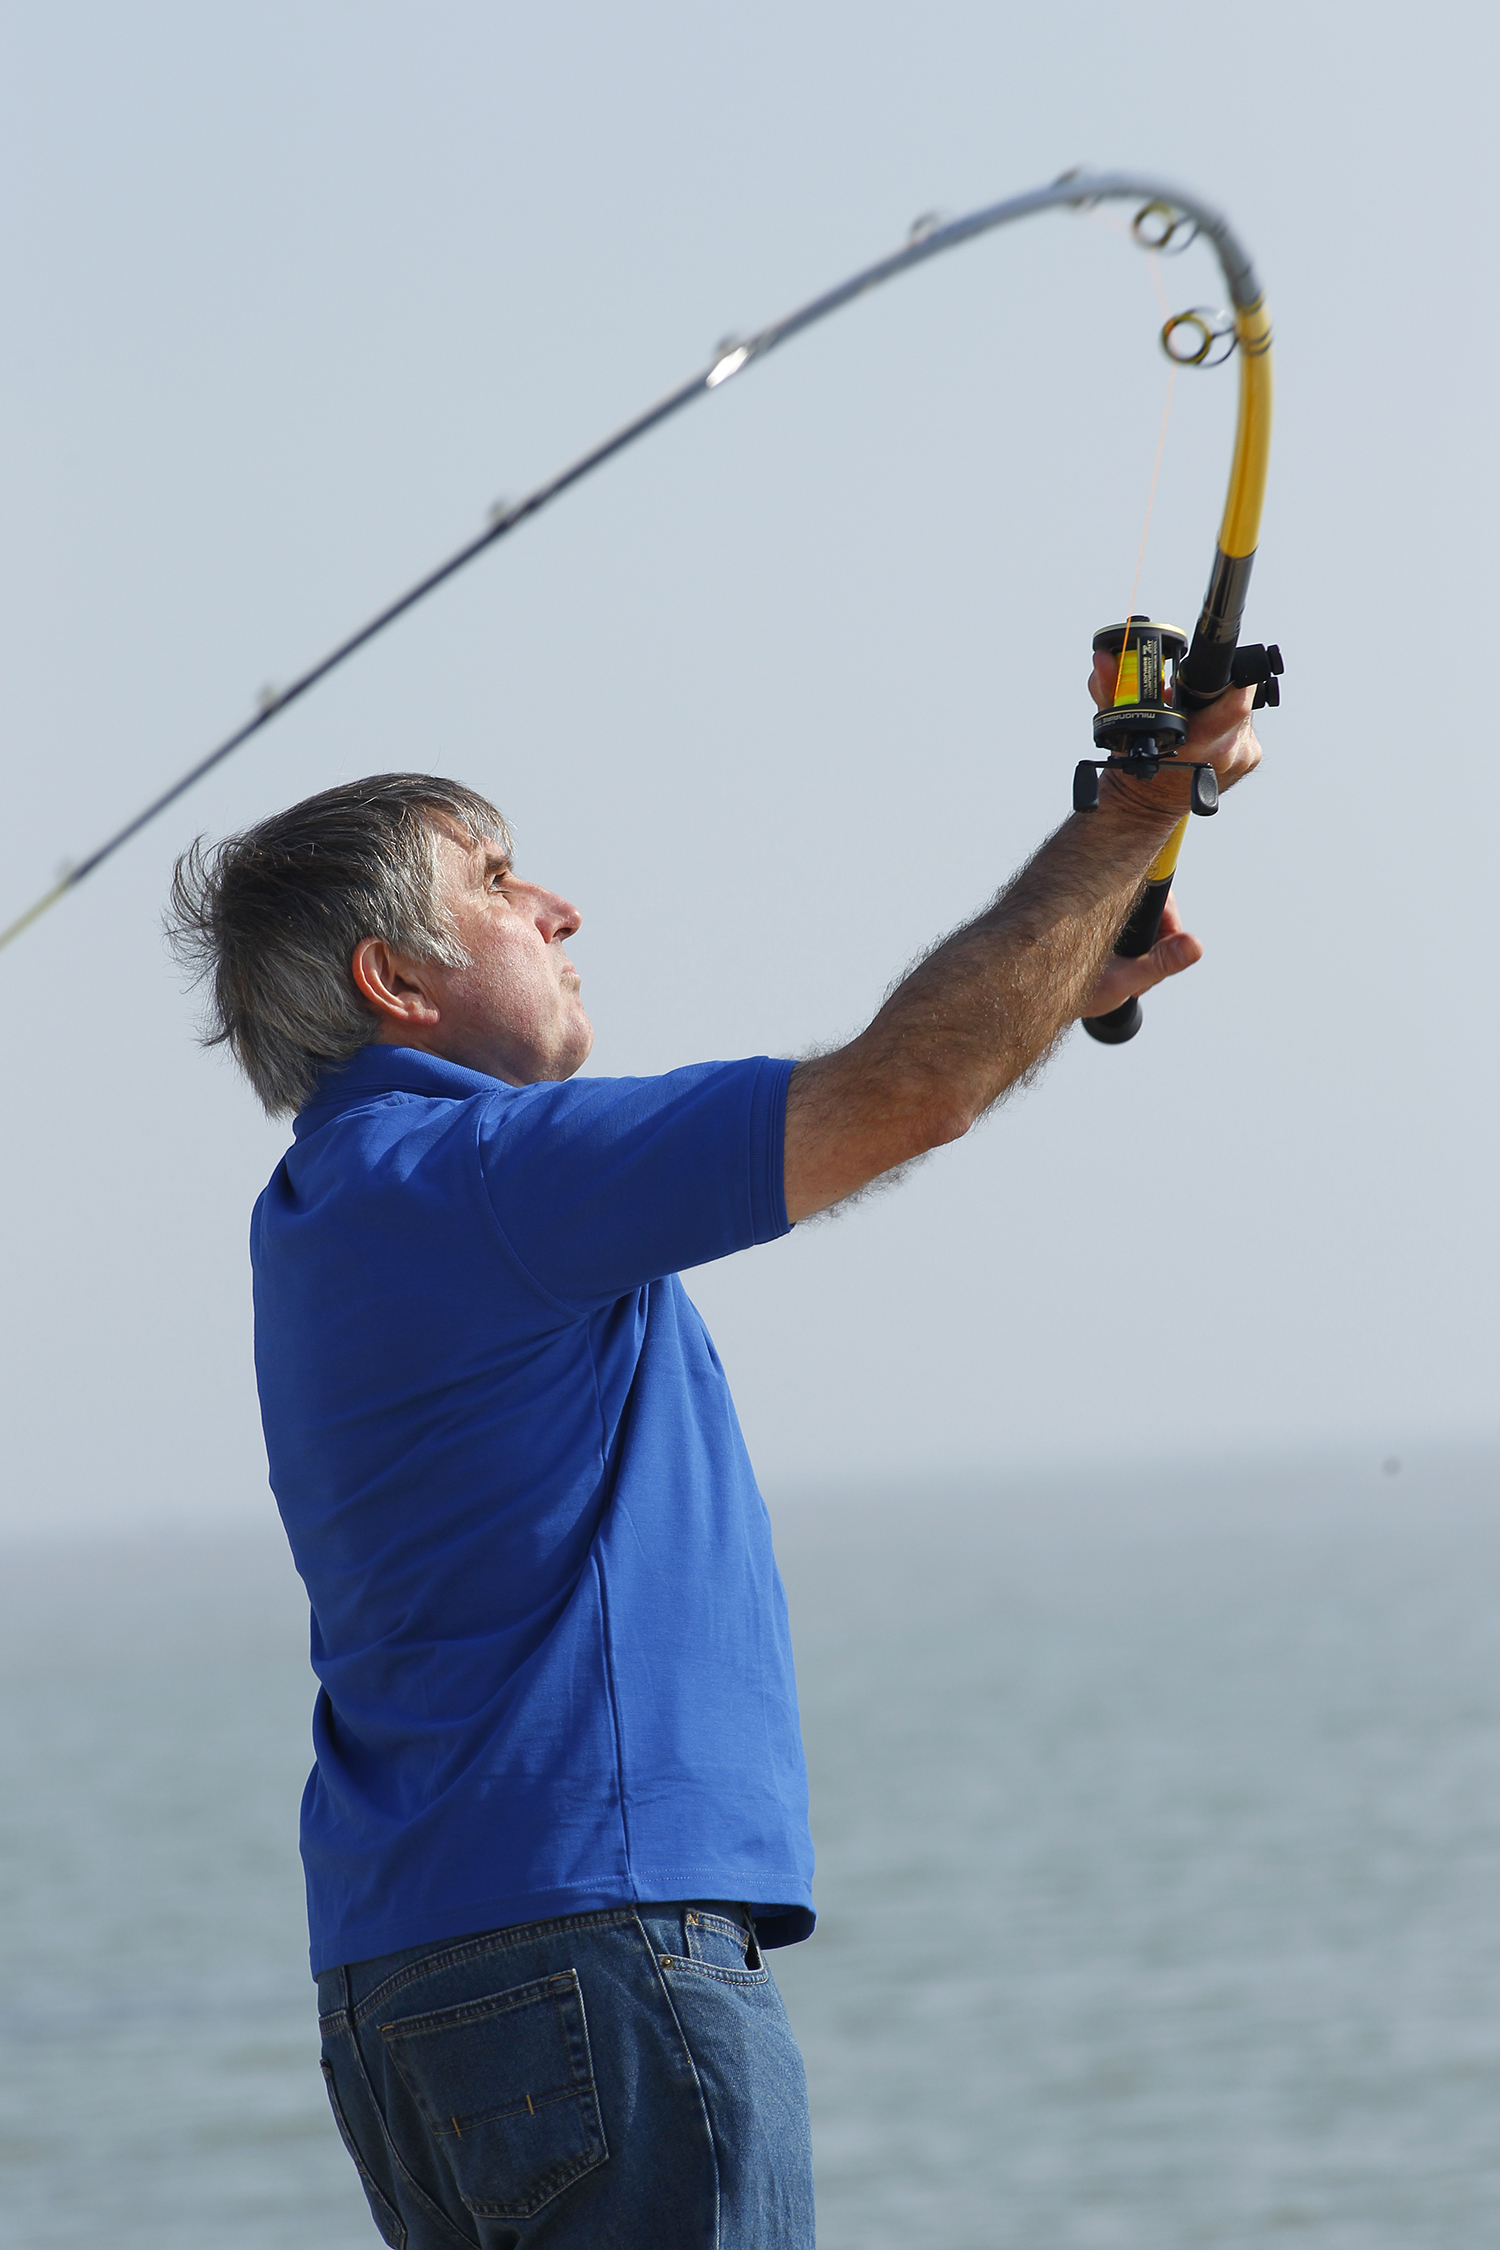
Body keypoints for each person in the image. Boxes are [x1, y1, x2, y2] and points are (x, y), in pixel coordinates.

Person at [167, 650, 1259, 2249]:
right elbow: (904, 1092)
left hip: (409, 1989)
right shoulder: (484, 1176)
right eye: (494, 880)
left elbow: (923, 1076)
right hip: (588, 1950)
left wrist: (1043, 980)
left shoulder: (335, 1206)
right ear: (394, 983)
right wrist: (1130, 817)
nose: (560, 907)